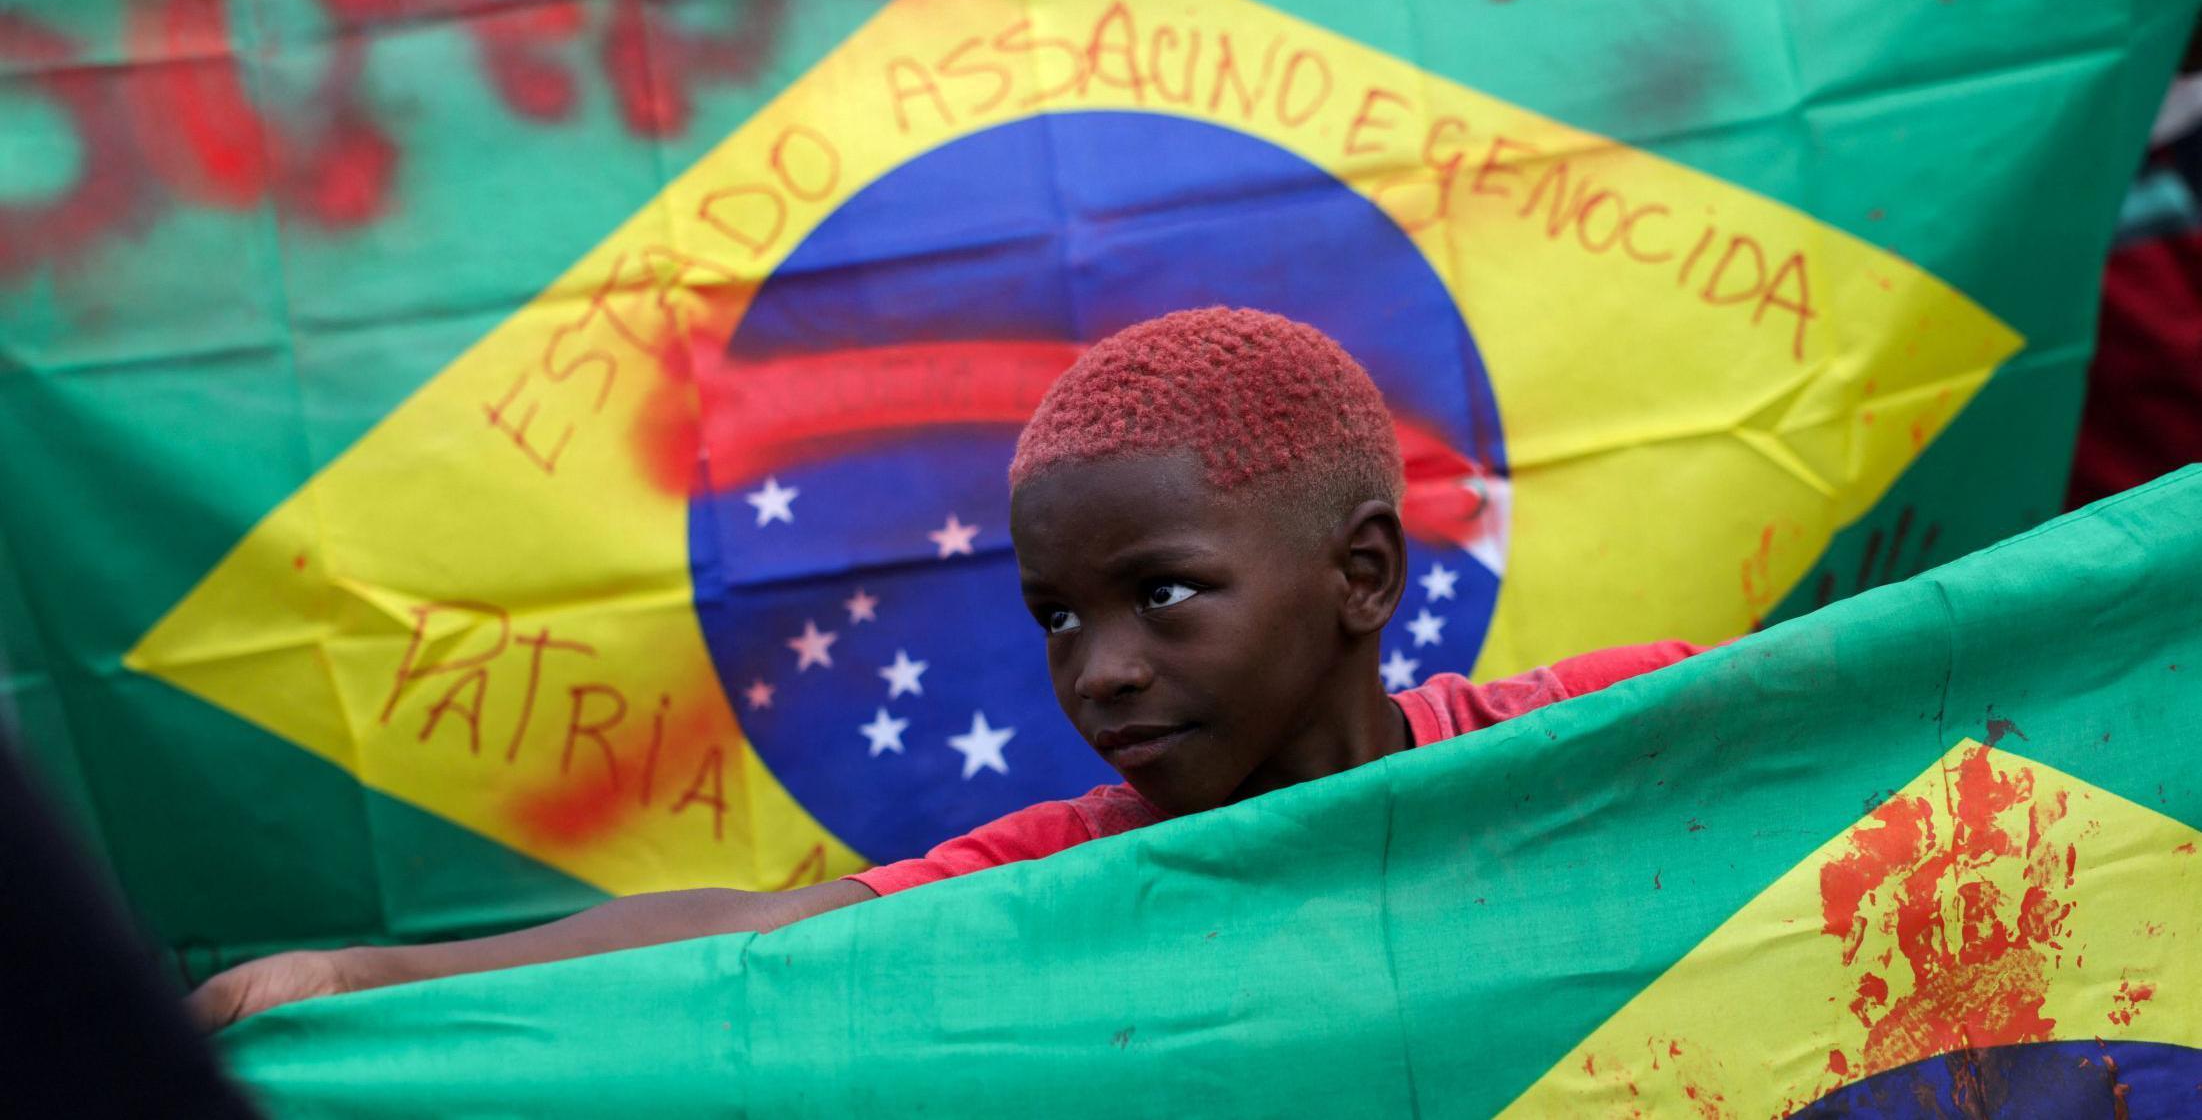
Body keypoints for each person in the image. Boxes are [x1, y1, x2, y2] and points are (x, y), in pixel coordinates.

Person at [189, 307, 1704, 1030]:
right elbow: (756, 929)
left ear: (1361, 576)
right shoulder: (1073, 873)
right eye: (1057, 617)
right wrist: (361, 977)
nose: (1102, 672)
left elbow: (1832, 717)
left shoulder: (1618, 736)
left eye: (1164, 594)